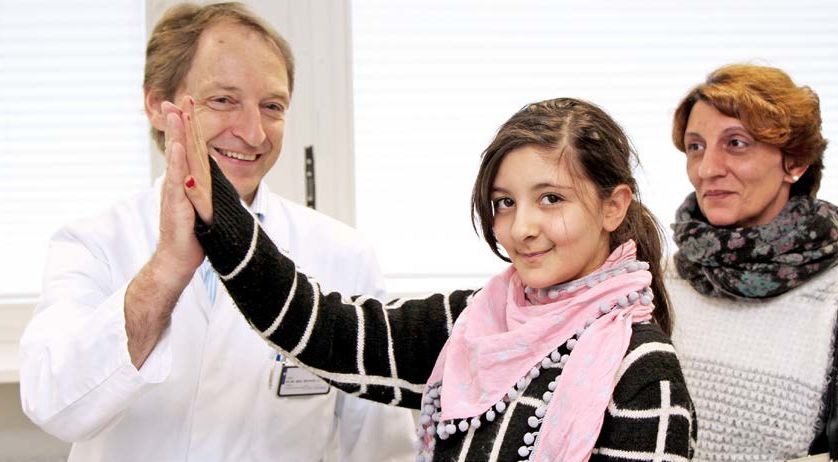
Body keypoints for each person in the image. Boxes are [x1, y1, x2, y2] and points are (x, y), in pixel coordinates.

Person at [170, 96, 697, 461]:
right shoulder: (474, 323)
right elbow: (326, 331)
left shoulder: (641, 370)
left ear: (613, 206)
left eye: (551, 198)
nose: (521, 228)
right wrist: (221, 213)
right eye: (504, 203)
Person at [17, 3, 416, 461]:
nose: (253, 133)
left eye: (272, 106)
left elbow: (383, 451)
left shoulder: (342, 256)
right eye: (223, 100)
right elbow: (55, 404)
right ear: (156, 105)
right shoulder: (93, 244)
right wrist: (166, 270)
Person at [666, 63, 837, 460]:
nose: (708, 169)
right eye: (695, 147)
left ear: (795, 162)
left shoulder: (832, 294)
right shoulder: (657, 282)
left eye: (736, 143)